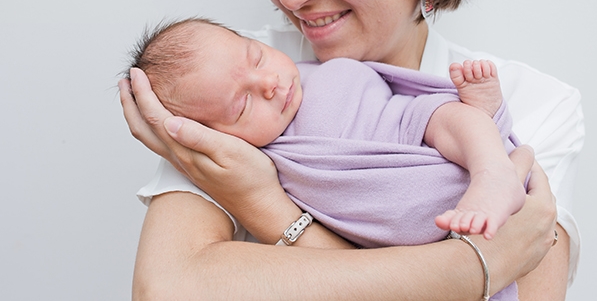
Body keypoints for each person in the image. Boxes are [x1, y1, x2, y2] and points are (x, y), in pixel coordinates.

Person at [118, 0, 584, 299]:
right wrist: (468, 270)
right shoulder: (224, 85)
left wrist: (265, 207)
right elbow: (167, 287)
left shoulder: (532, 104)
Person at [128, 17, 527, 246]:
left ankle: (491, 167)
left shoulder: (320, 70)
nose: (267, 83)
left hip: (409, 128)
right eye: (242, 104)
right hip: (410, 235)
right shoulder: (252, 163)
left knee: (446, 115)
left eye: (257, 56)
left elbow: (398, 100)